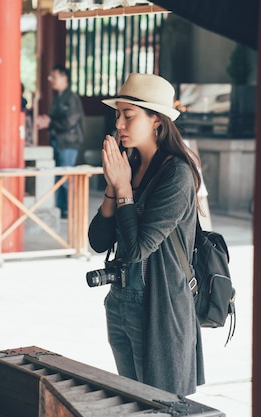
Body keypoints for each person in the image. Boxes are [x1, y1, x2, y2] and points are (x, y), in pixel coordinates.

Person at [87, 73, 205, 397]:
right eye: (117, 115)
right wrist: (113, 188)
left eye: (129, 115)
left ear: (157, 121)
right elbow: (98, 242)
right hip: (120, 300)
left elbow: (140, 248)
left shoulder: (177, 173)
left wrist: (123, 187)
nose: (119, 124)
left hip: (159, 304)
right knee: (132, 400)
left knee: (160, 402)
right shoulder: (131, 162)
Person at [36, 64, 84, 218]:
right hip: (58, 141)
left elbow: (69, 121)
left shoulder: (71, 98)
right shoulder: (57, 97)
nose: (51, 80)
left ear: (65, 78)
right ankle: (63, 209)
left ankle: (71, 209)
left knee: (66, 177)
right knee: (58, 176)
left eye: (54, 77)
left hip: (68, 143)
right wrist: (47, 121)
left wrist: (49, 123)